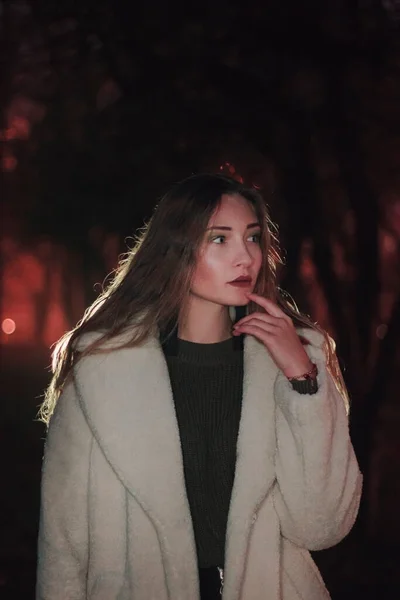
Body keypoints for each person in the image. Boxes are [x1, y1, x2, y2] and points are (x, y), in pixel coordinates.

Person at [36, 173, 362, 600]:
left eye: (252, 238)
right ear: (176, 251)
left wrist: (303, 381)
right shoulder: (104, 370)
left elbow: (322, 526)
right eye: (220, 239)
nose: (245, 257)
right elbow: (63, 544)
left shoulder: (297, 362)